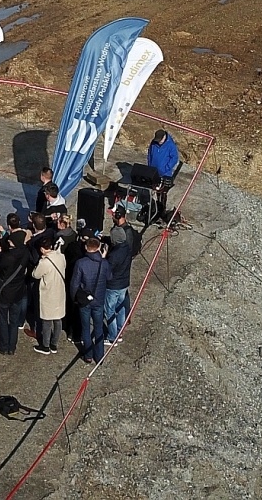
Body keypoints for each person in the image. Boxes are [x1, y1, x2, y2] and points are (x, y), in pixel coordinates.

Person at [70, 238, 113, 363]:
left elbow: (74, 284)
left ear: (86, 248)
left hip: (85, 300)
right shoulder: (104, 263)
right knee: (98, 327)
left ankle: (88, 355)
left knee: (85, 328)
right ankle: (99, 356)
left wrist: (74, 298)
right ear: (99, 247)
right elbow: (110, 277)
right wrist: (103, 258)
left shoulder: (81, 263)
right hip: (99, 300)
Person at [0, 230, 31, 355]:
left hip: (6, 293)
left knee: (3, 319)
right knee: (13, 321)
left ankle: (3, 345)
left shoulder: (7, 257)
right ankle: (12, 347)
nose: (8, 241)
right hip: (18, 292)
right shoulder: (25, 252)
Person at [104, 212, 142, 345]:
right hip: (124, 283)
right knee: (121, 308)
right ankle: (120, 329)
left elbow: (107, 271)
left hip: (114, 285)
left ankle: (113, 336)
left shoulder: (114, 256)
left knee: (110, 311)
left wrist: (104, 258)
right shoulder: (127, 248)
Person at [30, 239, 67, 355]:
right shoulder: (61, 257)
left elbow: (35, 275)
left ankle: (45, 346)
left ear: (42, 249)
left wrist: (40, 260)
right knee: (58, 319)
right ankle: (54, 344)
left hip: (48, 293)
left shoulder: (44, 262)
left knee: (46, 321)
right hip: (60, 291)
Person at [147, 129, 182, 210]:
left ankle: (162, 209)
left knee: (163, 193)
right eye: (157, 140)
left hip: (165, 173)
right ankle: (155, 208)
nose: (158, 142)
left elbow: (174, 158)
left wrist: (166, 168)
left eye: (160, 140)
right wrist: (149, 166)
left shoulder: (171, 145)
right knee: (155, 190)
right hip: (154, 171)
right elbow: (149, 154)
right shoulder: (154, 142)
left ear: (164, 137)